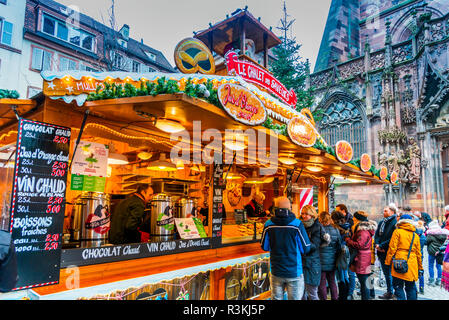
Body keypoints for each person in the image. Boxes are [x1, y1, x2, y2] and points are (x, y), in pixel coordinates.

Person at [260, 196, 311, 300]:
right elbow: (305, 248)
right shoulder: (297, 224)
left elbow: (264, 246)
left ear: (275, 209)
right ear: (290, 208)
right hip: (294, 271)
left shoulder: (269, 224)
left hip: (276, 271)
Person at [385, 214, 423, 300]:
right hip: (412, 264)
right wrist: (420, 267)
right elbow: (418, 254)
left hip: (399, 262)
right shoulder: (415, 235)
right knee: (411, 287)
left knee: (398, 287)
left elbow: (392, 249)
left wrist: (387, 262)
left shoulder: (397, 232)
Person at [344, 211, 377, 300]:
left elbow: (359, 244)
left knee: (364, 281)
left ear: (358, 219)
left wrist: (348, 240)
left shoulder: (362, 231)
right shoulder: (364, 229)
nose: (353, 219)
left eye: (354, 217)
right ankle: (368, 296)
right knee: (365, 280)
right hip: (365, 257)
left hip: (362, 257)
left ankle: (366, 297)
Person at [300, 205, 328, 300]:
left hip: (312, 263)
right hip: (301, 262)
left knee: (312, 293)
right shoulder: (299, 225)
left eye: (306, 214)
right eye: (302, 213)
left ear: (312, 215)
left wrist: (302, 245)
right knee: (301, 294)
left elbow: (314, 245)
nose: (304, 216)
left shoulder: (317, 227)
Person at [374, 204, 397, 300]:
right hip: (381, 250)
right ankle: (389, 291)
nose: (384, 212)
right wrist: (377, 244)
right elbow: (377, 234)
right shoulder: (382, 222)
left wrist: (382, 245)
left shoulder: (394, 222)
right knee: (386, 273)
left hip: (389, 251)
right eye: (383, 210)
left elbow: (392, 238)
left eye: (386, 211)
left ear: (392, 212)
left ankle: (392, 292)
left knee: (390, 273)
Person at [318, 211, 341, 300]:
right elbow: (339, 245)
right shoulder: (336, 229)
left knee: (322, 283)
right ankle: (335, 298)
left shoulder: (319, 230)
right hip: (332, 260)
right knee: (332, 282)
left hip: (321, 260)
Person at [335, 204, 356, 299]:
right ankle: (347, 294)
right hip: (346, 251)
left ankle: (347, 294)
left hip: (344, 251)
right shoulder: (347, 224)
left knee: (345, 274)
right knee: (345, 274)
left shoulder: (345, 224)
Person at [331, 210, 351, 300]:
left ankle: (342, 297)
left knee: (340, 277)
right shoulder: (347, 226)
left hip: (339, 253)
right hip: (345, 253)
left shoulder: (336, 228)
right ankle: (345, 295)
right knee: (345, 275)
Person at [425, 220, 449, 287]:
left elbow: (426, 242)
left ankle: (431, 280)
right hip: (440, 252)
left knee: (431, 265)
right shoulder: (443, 234)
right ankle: (439, 280)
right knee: (438, 266)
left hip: (432, 252)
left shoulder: (430, 235)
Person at [415, 220, 427, 294]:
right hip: (420, 255)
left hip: (413, 255)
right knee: (420, 271)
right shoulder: (423, 236)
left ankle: (415, 289)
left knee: (412, 271)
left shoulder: (414, 235)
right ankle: (421, 288)